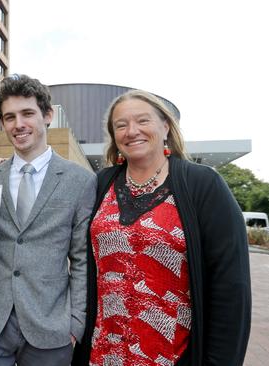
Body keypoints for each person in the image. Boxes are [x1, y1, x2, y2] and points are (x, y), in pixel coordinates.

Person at [71, 90, 251, 366]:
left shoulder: (202, 185)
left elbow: (231, 285)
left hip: (172, 355)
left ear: (165, 126)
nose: (132, 131)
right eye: (121, 125)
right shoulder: (99, 184)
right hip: (104, 353)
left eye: (143, 120)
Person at [0, 74, 96, 366]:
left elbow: (81, 259)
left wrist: (76, 323)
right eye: (9, 117)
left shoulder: (80, 180)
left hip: (51, 326)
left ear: (47, 115)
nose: (18, 124)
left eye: (27, 113)